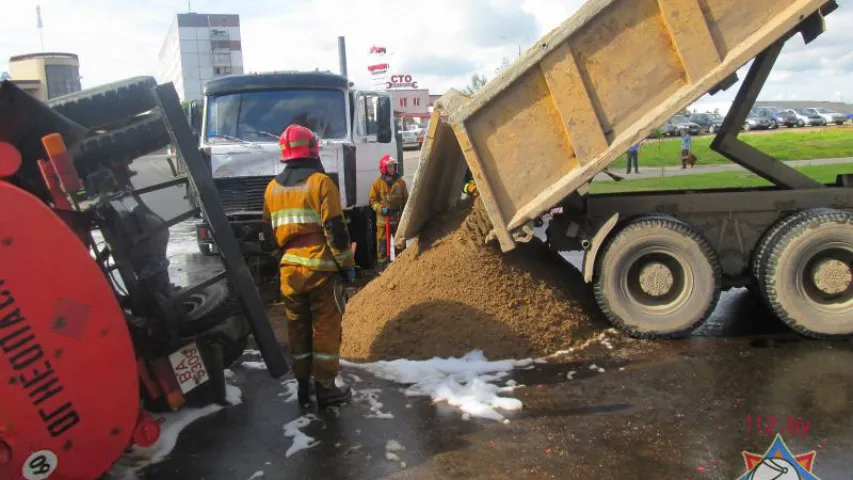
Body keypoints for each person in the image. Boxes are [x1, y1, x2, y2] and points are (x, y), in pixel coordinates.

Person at [262, 124, 355, 408]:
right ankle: (325, 388)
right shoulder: (320, 183)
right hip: (320, 269)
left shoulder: (272, 188)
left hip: (289, 271)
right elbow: (335, 230)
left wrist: (283, 258)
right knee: (325, 328)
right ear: (313, 149)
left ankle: (303, 387)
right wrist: (346, 265)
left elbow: (268, 233)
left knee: (297, 328)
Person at [369, 154, 408, 271]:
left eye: (393, 166)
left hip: (397, 219)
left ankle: (402, 267)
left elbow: (406, 199)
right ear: (384, 168)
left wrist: (405, 213)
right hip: (383, 221)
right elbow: (373, 200)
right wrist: (381, 209)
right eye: (390, 166)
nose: (392, 169)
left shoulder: (400, 182)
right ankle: (383, 269)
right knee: (382, 245)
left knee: (400, 243)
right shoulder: (377, 183)